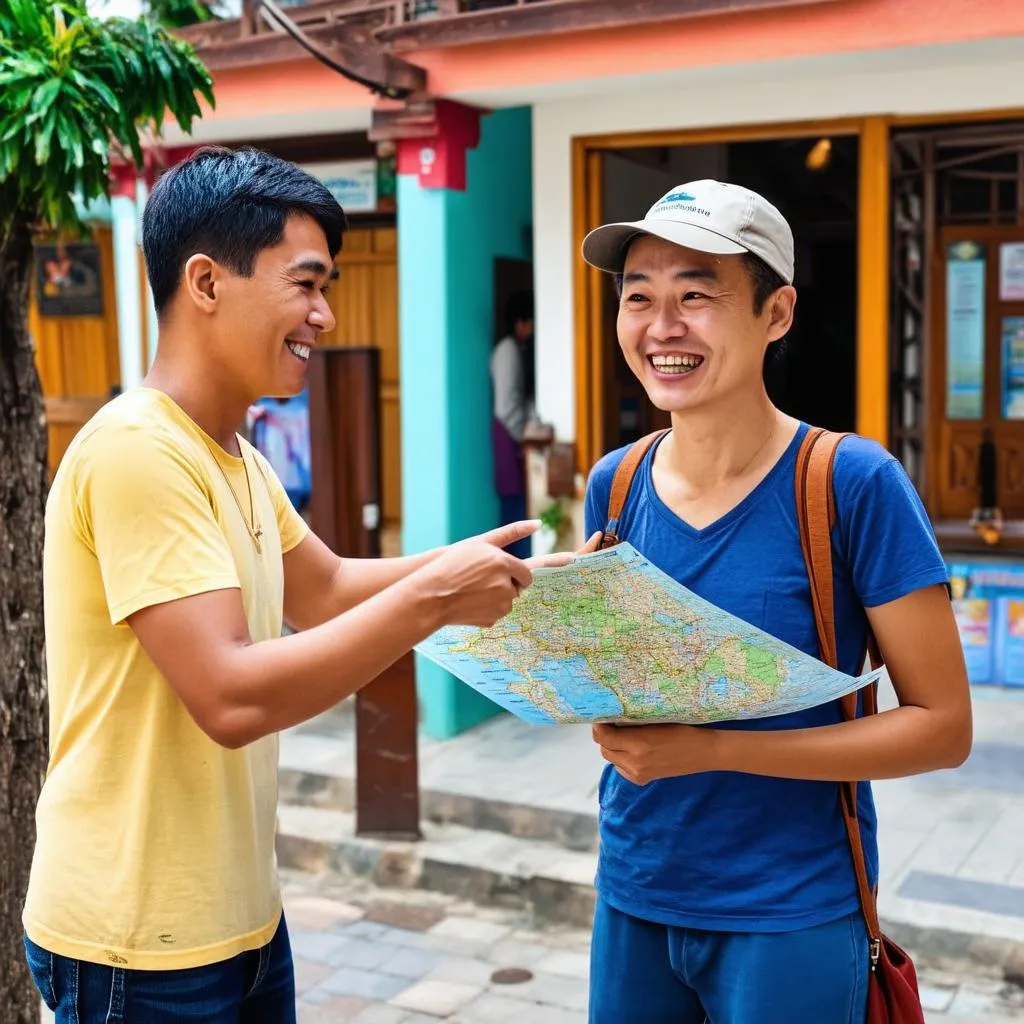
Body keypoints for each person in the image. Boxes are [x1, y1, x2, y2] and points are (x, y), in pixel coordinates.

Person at [21, 146, 562, 1023]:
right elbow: (230, 698)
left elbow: (328, 587)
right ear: (206, 282)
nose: (325, 313)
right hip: (137, 938)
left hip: (236, 918)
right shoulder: (137, 451)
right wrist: (435, 600)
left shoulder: (234, 452)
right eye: (306, 284)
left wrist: (499, 571)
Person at [579, 179, 973, 1023]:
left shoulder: (851, 484)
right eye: (638, 297)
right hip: (634, 892)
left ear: (778, 313)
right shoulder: (615, 484)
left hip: (789, 912)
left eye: (696, 296)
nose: (661, 328)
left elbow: (943, 728)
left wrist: (713, 752)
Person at [490, 290, 535, 559]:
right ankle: (510, 565)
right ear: (520, 322)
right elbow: (507, 404)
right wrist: (523, 437)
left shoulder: (514, 350)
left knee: (516, 504)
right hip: (508, 434)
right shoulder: (507, 352)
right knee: (513, 507)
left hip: (511, 433)